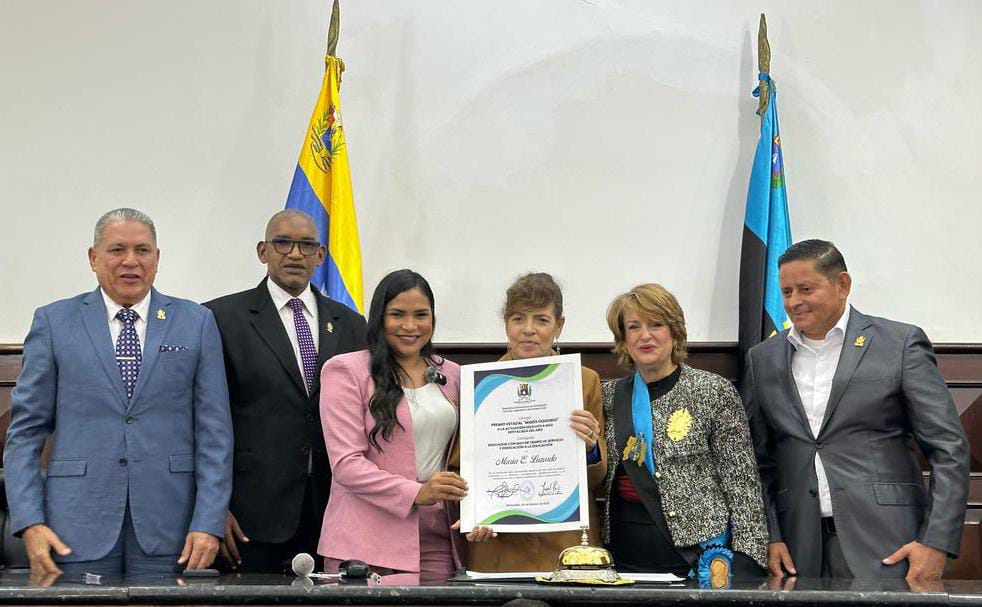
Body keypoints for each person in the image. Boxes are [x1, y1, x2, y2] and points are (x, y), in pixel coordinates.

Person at [3, 208, 233, 580]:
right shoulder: (54, 322)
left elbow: (215, 434)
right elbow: (25, 433)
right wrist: (30, 521)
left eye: (142, 250)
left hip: (173, 529)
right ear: (93, 258)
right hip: (74, 527)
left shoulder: (196, 322)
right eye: (116, 250)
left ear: (157, 258)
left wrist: (208, 521)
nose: (130, 261)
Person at [742, 239, 969, 581]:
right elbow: (759, 461)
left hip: (889, 544)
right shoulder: (763, 359)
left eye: (806, 289)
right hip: (797, 549)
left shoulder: (899, 344)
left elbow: (949, 449)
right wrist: (770, 535)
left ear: (842, 284)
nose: (793, 302)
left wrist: (936, 542)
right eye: (786, 292)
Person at [204, 209, 367, 573]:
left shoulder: (351, 324)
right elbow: (203, 422)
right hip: (248, 518)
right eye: (282, 243)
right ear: (263, 251)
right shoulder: (220, 318)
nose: (295, 253)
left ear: (320, 255)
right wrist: (212, 508)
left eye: (306, 245)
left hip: (332, 512)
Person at [601, 283, 767, 576]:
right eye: (634, 327)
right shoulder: (608, 397)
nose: (645, 335)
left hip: (698, 558)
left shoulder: (713, 391)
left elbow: (742, 483)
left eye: (656, 324)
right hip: (623, 558)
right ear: (623, 339)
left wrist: (748, 558)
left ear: (674, 332)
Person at [317, 269, 465, 580]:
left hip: (436, 538)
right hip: (363, 541)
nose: (410, 326)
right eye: (397, 314)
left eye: (421, 315)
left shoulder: (453, 374)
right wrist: (417, 492)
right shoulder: (345, 371)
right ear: (379, 318)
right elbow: (346, 465)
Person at [465, 272, 607, 572]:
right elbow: (459, 467)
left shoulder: (584, 382)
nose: (528, 329)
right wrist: (473, 512)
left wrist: (590, 448)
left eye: (541, 320)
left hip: (567, 542)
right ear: (506, 324)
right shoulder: (478, 386)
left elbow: (598, 478)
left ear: (559, 325)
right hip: (499, 544)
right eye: (518, 318)